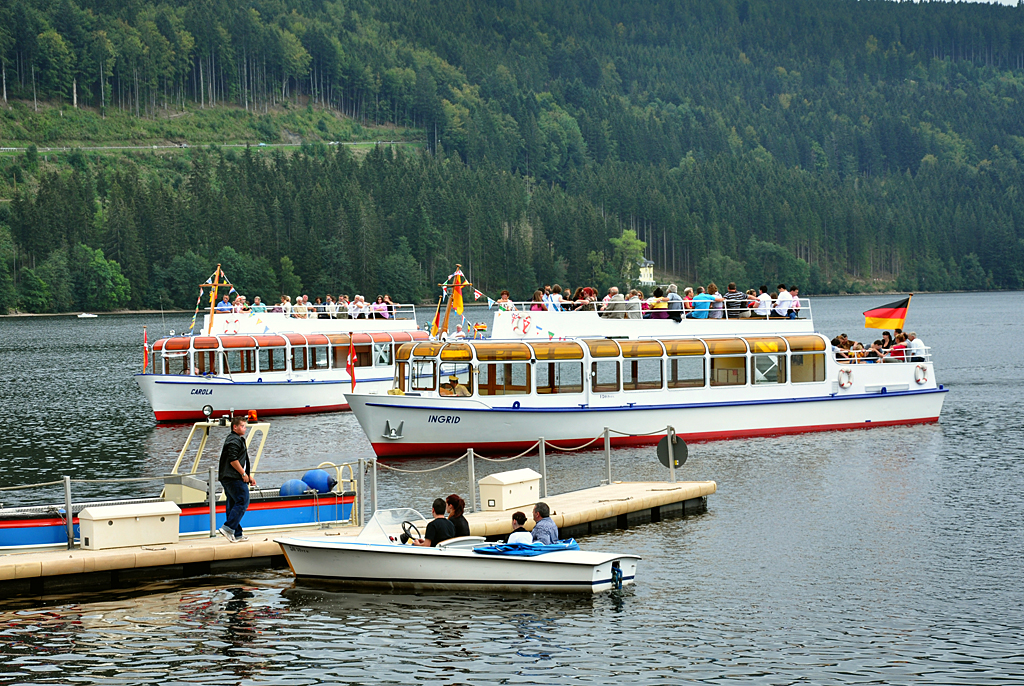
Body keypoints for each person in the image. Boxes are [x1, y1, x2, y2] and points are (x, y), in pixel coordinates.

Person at [218, 416, 256, 542]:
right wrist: (243, 475)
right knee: (242, 500)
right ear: (235, 427)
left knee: (233, 503)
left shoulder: (238, 439)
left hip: (230, 476)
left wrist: (248, 475)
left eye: (245, 426)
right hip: (233, 477)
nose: (245, 428)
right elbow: (233, 460)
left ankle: (237, 533)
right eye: (242, 426)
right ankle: (228, 528)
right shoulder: (233, 440)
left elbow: (240, 461)